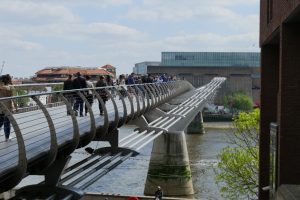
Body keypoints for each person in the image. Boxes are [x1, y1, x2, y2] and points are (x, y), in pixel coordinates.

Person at [0, 74, 17, 142]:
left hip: (0, 109)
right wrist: (16, 107)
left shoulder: (1, 87)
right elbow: (14, 99)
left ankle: (7, 137)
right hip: (8, 109)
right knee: (7, 124)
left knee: (0, 123)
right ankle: (7, 138)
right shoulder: (11, 87)